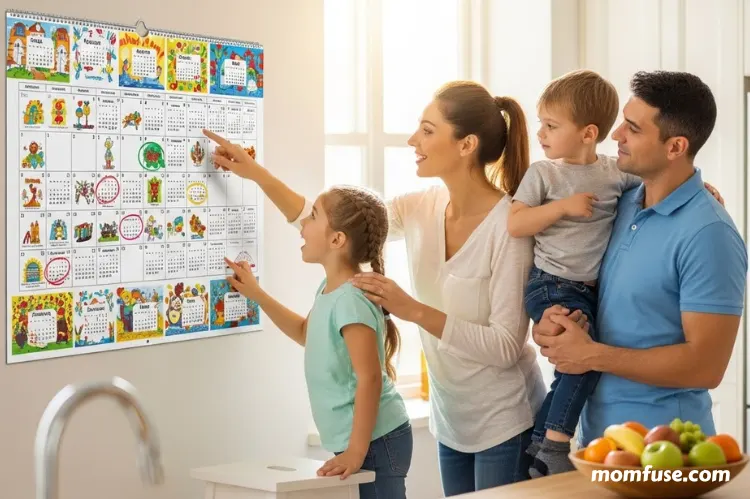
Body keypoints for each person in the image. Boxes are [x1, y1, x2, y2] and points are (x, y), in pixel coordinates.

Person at [204, 80, 558, 496]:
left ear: (466, 145)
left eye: (427, 131)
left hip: (504, 420)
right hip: (451, 419)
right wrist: (255, 173)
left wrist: (413, 310)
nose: (413, 140)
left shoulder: (509, 227)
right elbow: (337, 226)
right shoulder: (421, 207)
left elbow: (503, 347)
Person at [531, 70, 748, 449]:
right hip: (597, 444)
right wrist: (553, 326)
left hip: (671, 451)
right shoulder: (618, 206)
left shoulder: (710, 234)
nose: (615, 135)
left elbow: (706, 366)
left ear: (675, 146)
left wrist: (592, 355)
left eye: (632, 127)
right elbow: (604, 303)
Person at [223, 184, 413, 499]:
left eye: (313, 217)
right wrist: (256, 294)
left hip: (378, 442)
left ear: (337, 239)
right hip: (364, 442)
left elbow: (369, 379)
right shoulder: (330, 288)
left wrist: (356, 451)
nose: (303, 226)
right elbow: (303, 333)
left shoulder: (350, 300)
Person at [507, 69, 641, 477]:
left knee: (581, 364)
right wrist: (562, 208)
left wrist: (700, 187)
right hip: (551, 286)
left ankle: (543, 443)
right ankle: (554, 443)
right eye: (541, 124)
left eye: (551, 125)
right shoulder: (544, 174)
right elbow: (516, 223)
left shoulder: (614, 172)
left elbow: (656, 182)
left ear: (588, 134)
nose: (541, 133)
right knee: (584, 361)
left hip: (590, 291)